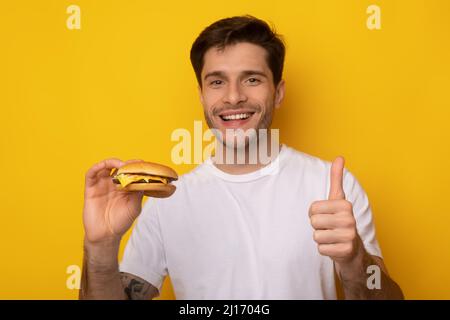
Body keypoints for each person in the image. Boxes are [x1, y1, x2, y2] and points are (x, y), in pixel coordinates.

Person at [79, 15, 404, 300]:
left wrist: (353, 259)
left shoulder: (333, 187)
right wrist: (100, 247)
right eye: (217, 82)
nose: (233, 97)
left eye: (252, 79)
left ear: (278, 92)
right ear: (202, 95)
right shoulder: (166, 200)